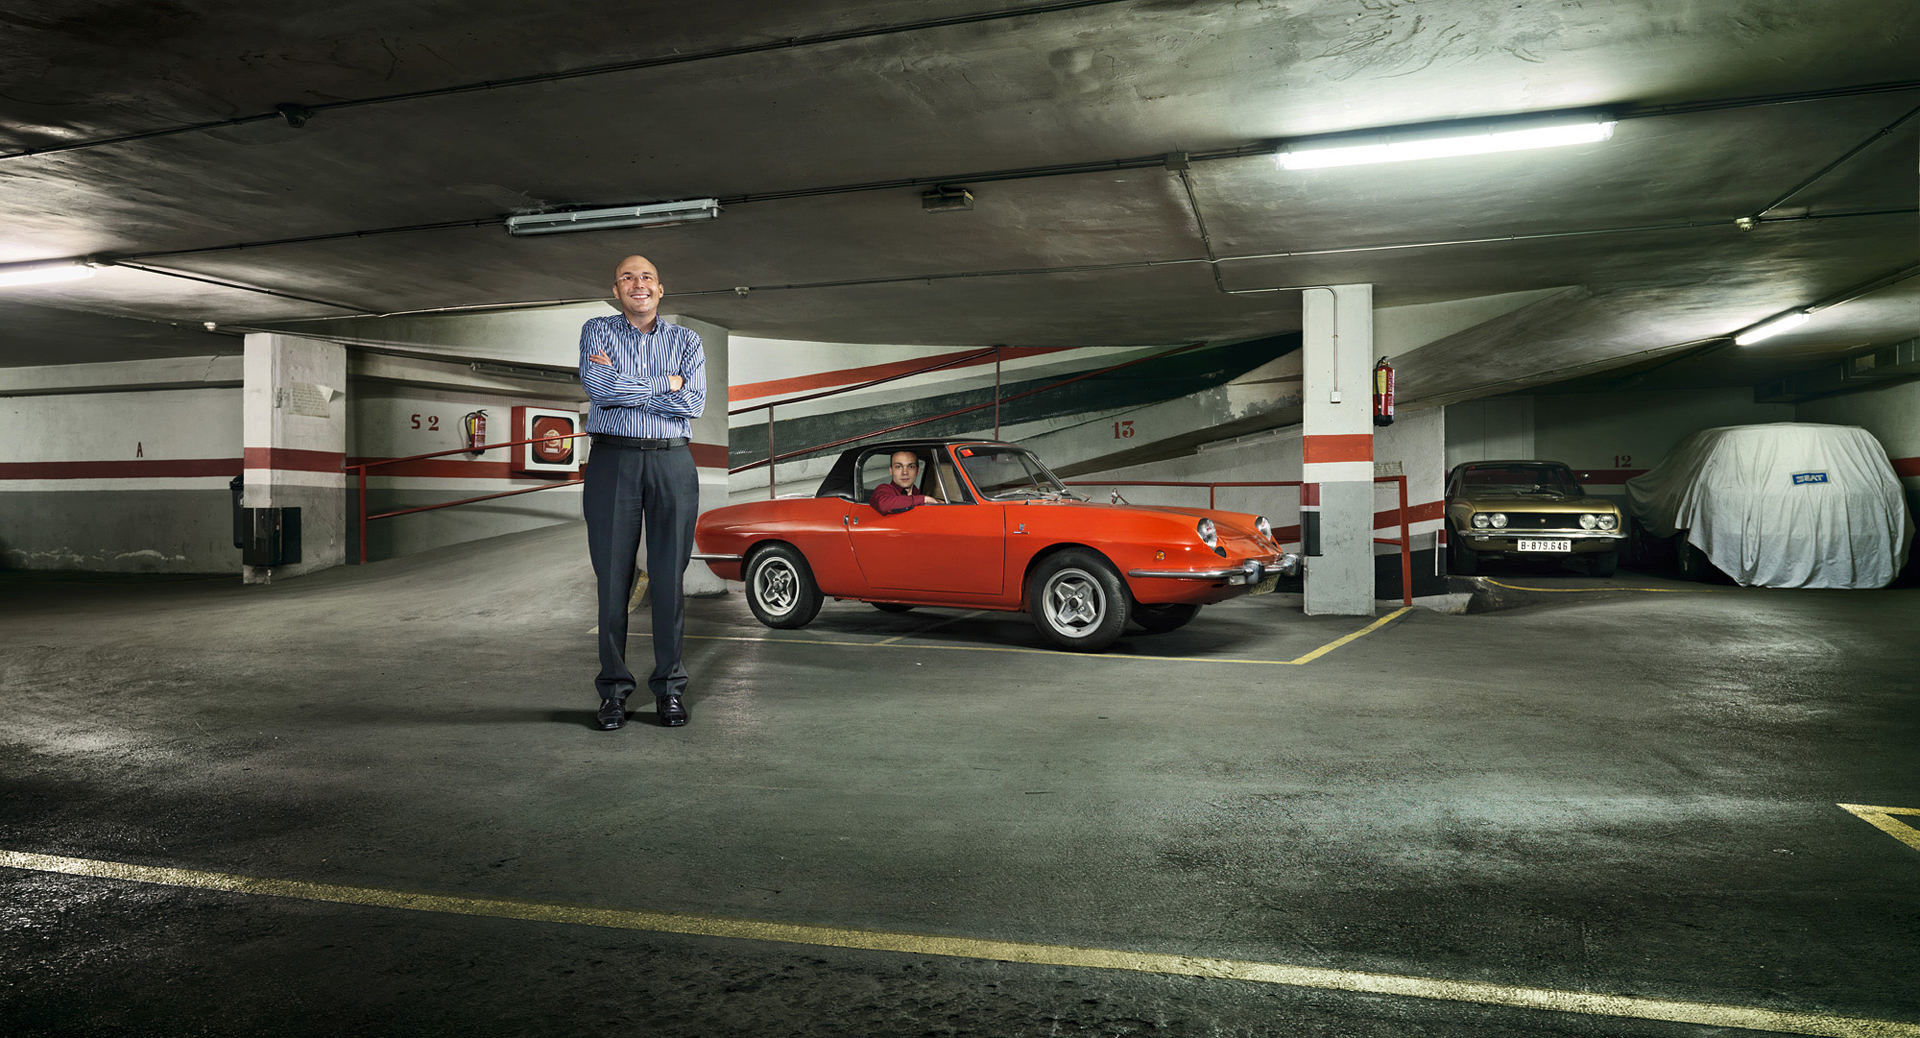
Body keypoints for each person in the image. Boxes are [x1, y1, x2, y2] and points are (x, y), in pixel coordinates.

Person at [579, 255, 706, 731]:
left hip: (673, 461)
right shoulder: (597, 331)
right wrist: (664, 385)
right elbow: (599, 389)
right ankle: (613, 692)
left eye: (647, 277)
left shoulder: (687, 340)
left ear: (660, 288)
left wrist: (625, 385)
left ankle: (669, 690)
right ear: (616, 290)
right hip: (613, 461)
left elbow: (694, 400)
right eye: (628, 277)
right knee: (613, 580)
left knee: (669, 579)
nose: (639, 284)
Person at [869, 450, 942, 513]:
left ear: (917, 471)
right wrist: (924, 499)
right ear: (891, 471)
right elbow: (883, 505)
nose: (905, 472)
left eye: (911, 467)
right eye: (898, 467)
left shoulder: (918, 493)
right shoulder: (884, 489)